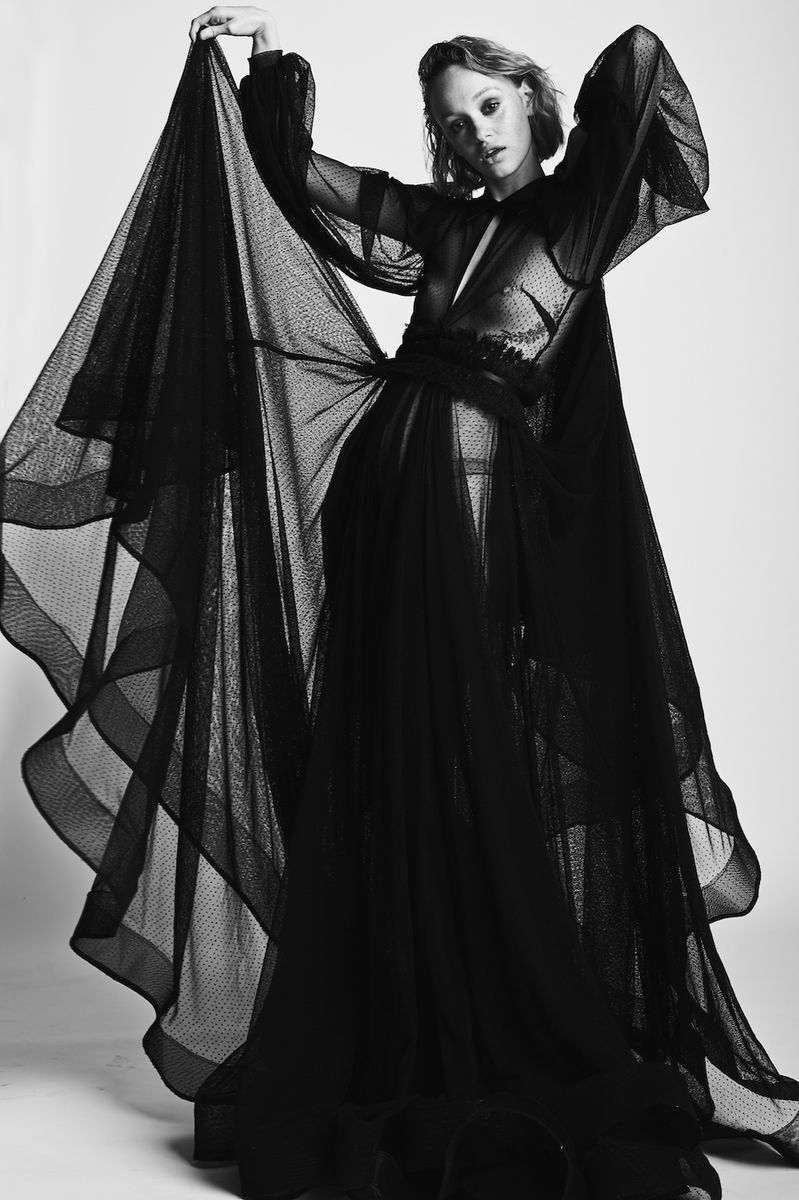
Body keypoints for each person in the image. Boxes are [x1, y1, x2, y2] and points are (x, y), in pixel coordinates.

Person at [1, 5, 797, 1199]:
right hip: (382, 504)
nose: (472, 132)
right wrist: (260, 57)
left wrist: (554, 114)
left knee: (463, 738)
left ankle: (485, 995)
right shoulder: (436, 226)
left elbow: (642, 74)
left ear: (531, 105)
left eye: (490, 104)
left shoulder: (574, 220)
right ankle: (398, 1001)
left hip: (466, 504)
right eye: (450, 119)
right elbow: (298, 178)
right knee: (388, 744)